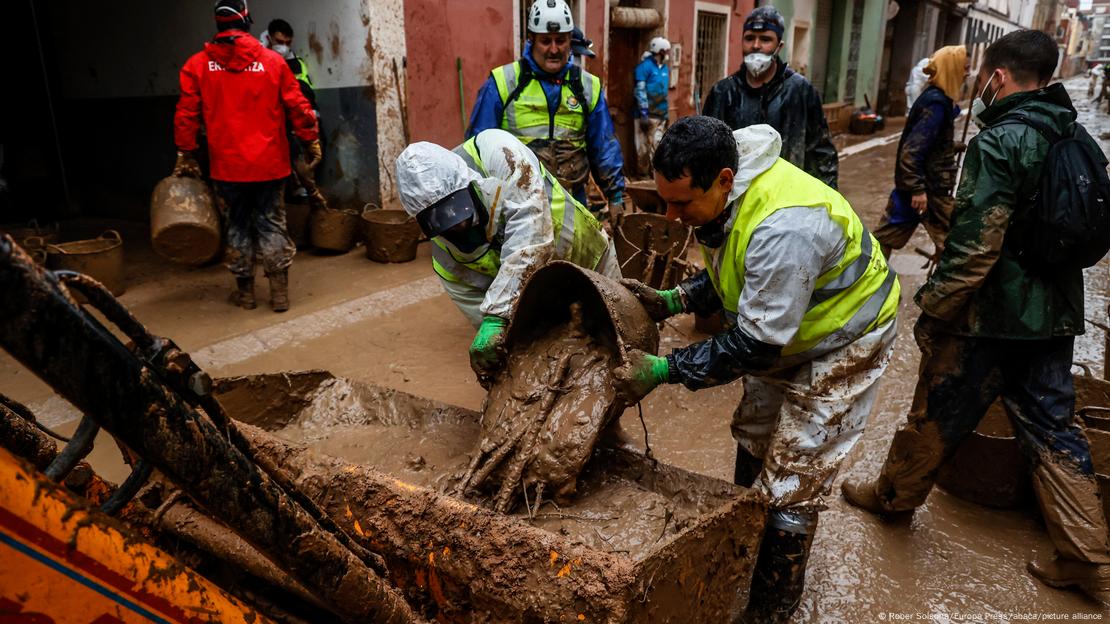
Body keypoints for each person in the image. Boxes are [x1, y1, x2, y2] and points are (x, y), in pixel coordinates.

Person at [841, 30, 1110, 603]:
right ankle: (1087, 557)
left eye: (986, 76)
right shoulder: (1074, 134)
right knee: (1055, 428)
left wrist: (932, 309)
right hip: (1053, 317)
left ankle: (893, 498)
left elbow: (974, 249)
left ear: (1001, 77)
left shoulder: (1002, 140)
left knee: (936, 407)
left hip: (990, 314)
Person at [613, 116, 899, 623]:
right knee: (754, 432)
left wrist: (663, 370)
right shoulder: (723, 191)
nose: (674, 217)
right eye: (665, 202)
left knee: (795, 473)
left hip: (848, 335)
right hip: (786, 324)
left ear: (724, 179)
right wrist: (671, 299)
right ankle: (745, 535)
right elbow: (734, 272)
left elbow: (753, 345)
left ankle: (769, 606)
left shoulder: (786, 227)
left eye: (682, 204)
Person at [395, 129, 621, 383]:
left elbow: (532, 235)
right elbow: (494, 330)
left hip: (585, 253)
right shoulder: (446, 262)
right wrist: (495, 344)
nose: (457, 226)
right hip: (537, 302)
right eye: (443, 222)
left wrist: (496, 315)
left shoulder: (497, 153)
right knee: (565, 369)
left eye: (460, 211)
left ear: (468, 183)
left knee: (620, 342)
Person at [173, 0, 321, 313]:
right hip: (270, 165)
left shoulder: (197, 65)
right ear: (247, 20)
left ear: (218, 24)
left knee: (237, 227)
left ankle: (246, 295)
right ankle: (279, 294)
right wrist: (311, 141)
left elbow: (187, 114)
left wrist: (186, 152)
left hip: (227, 169)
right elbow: (298, 107)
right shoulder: (272, 62)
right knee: (271, 225)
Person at [466, 0, 625, 218]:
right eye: (545, 41)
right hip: (517, 207)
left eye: (560, 41)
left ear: (570, 40)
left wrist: (615, 196)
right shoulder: (503, 83)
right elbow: (477, 147)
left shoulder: (587, 87)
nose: (553, 49)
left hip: (572, 206)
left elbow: (603, 146)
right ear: (531, 39)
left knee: (574, 253)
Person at [702, 6, 838, 189]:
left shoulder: (801, 91)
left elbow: (822, 154)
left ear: (779, 46)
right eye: (749, 38)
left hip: (786, 199)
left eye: (765, 39)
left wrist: (826, 201)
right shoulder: (722, 92)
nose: (756, 45)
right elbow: (707, 153)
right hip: (736, 200)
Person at [873, 45, 968, 259]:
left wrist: (949, 148)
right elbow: (912, 150)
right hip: (928, 191)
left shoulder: (938, 99)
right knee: (956, 249)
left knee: (884, 239)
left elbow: (928, 144)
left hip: (926, 188)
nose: (967, 73)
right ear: (952, 69)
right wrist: (917, 189)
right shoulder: (936, 104)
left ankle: (872, 283)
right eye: (965, 67)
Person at [261, 18, 326, 206]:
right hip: (269, 128)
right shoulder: (259, 63)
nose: (284, 47)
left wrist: (311, 132)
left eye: (287, 43)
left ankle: (304, 195)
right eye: (279, 42)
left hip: (292, 125)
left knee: (301, 158)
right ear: (269, 38)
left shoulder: (296, 64)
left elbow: (302, 96)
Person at [633, 37, 671, 177]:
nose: (668, 54)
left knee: (657, 146)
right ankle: (642, 174)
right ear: (659, 51)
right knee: (642, 147)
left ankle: (654, 175)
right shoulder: (644, 67)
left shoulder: (664, 68)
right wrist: (643, 113)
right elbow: (640, 91)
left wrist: (666, 115)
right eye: (665, 51)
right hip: (646, 115)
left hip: (660, 114)